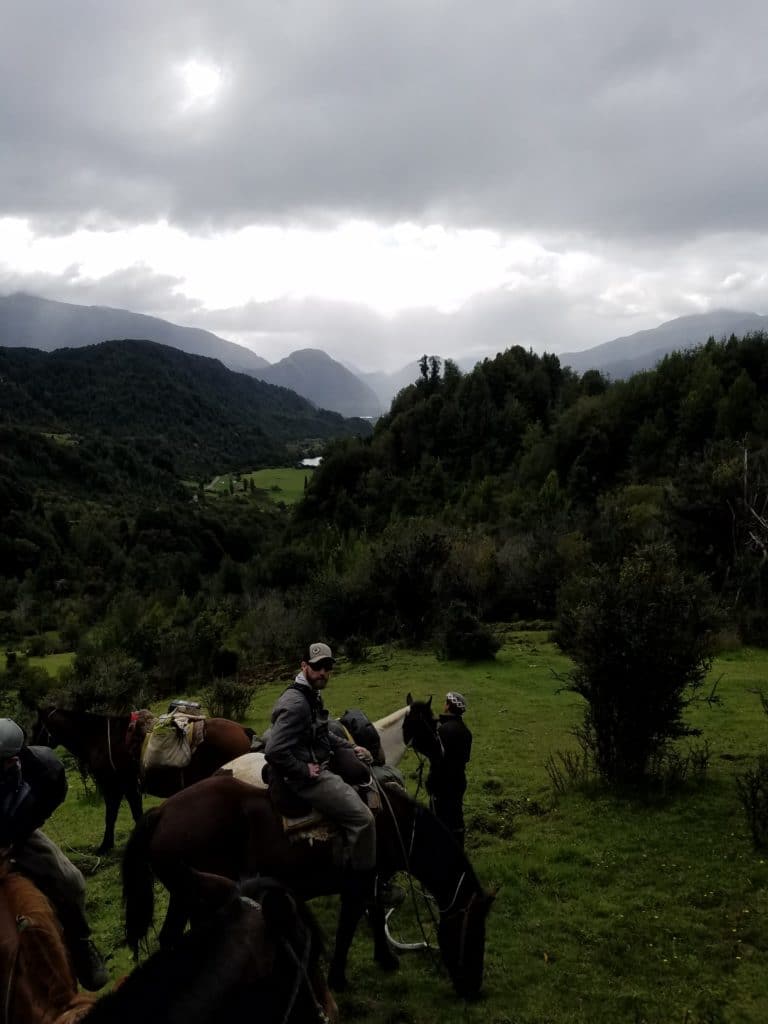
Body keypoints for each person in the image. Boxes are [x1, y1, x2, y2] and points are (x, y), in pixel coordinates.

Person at [0, 717, 108, 990]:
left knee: (71, 881)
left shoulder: (46, 770)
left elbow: (44, 806)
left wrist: (16, 840)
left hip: (17, 835)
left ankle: (81, 944)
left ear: (13, 760)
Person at [264, 643, 376, 888]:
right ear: (304, 666)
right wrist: (304, 770)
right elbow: (274, 750)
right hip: (306, 778)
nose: (323, 672)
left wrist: (350, 747)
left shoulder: (311, 695)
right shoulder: (297, 704)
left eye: (327, 667)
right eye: (317, 667)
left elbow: (322, 735)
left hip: (315, 760)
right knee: (364, 819)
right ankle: (363, 884)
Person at [426, 691, 473, 848]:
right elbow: (466, 758)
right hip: (459, 781)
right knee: (456, 816)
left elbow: (435, 758)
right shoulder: (467, 732)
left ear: (447, 706)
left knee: (439, 819)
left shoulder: (442, 730)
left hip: (441, 783)